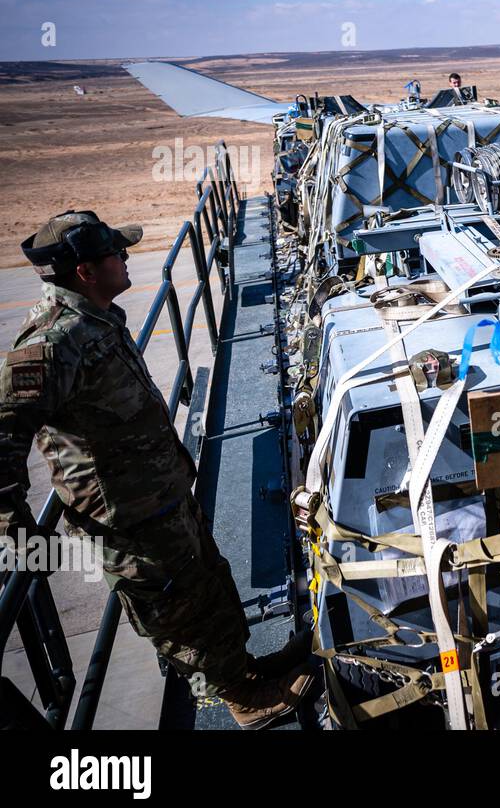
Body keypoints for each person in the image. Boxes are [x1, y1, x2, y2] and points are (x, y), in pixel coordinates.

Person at [0, 211, 311, 728]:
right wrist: (15, 528)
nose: (126, 258)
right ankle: (242, 699)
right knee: (179, 609)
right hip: (131, 522)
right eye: (115, 254)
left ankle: (244, 669)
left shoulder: (97, 317)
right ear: (85, 271)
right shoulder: (51, 345)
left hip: (162, 496)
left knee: (208, 585)